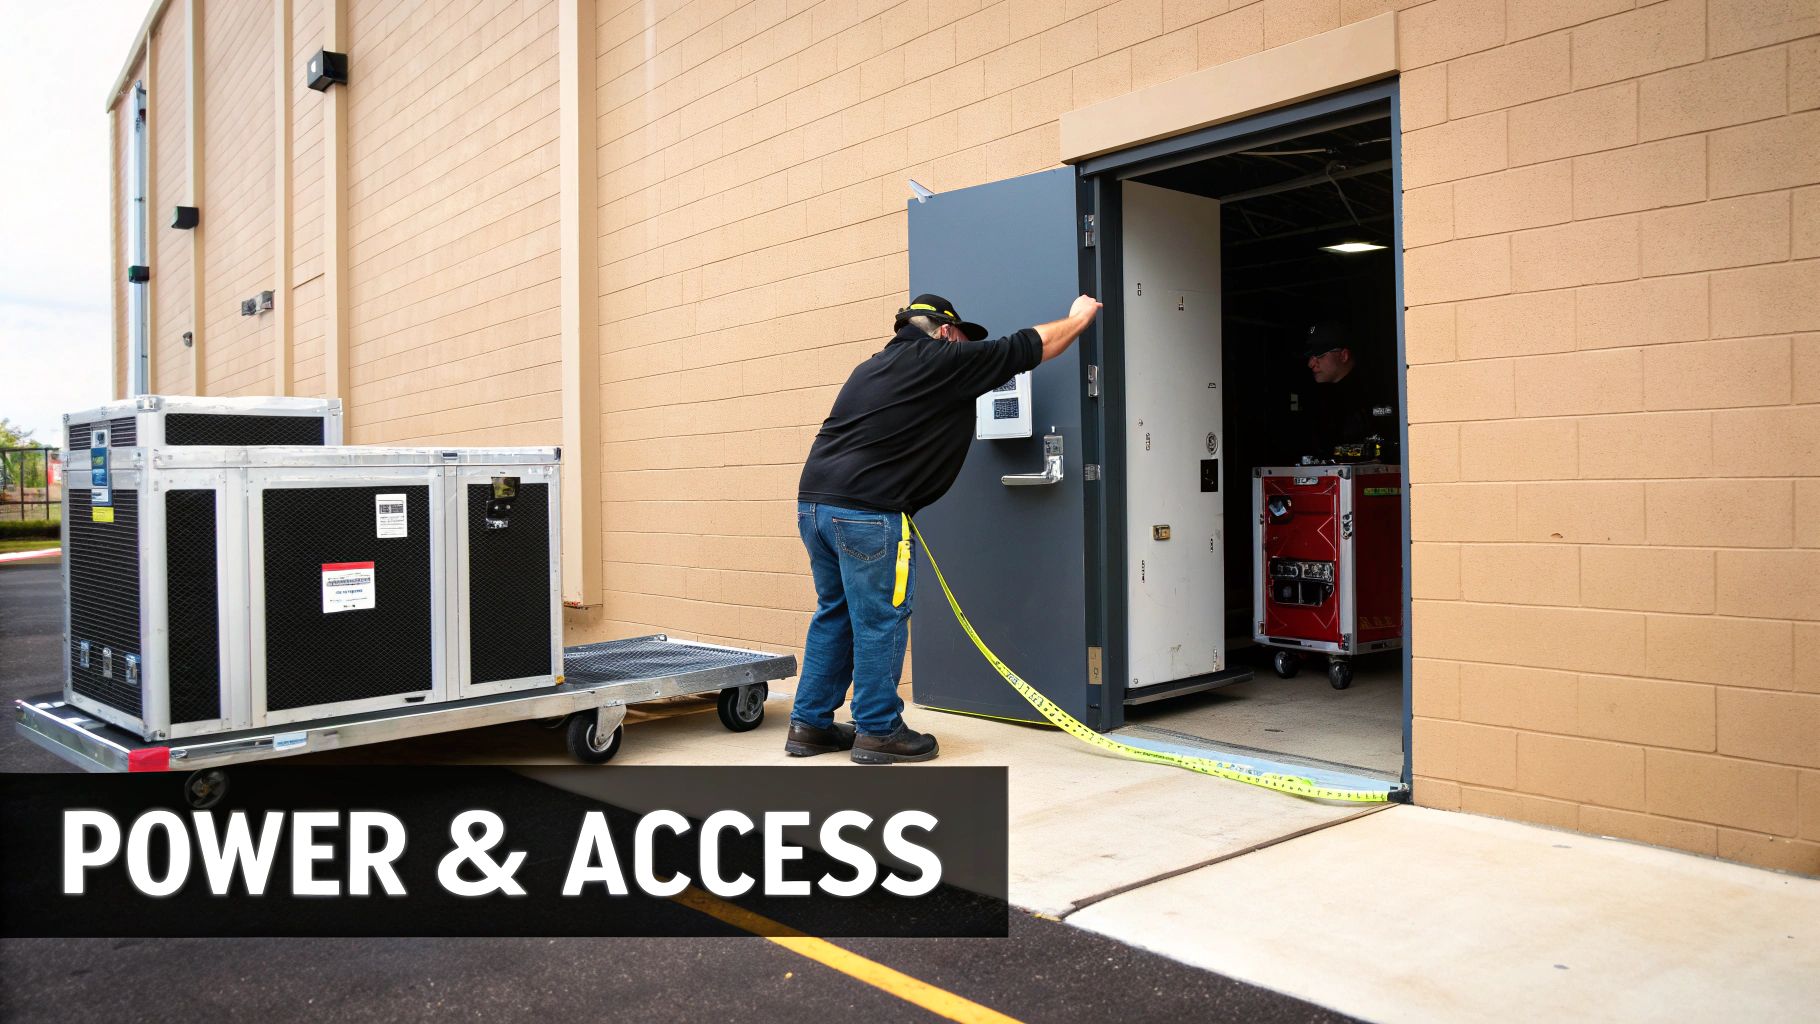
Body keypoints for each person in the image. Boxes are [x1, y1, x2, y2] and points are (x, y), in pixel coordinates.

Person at [789, 292, 1102, 764]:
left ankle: (809, 726)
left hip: (815, 507)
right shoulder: (941, 361)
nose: (961, 345)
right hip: (869, 514)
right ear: (945, 331)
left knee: (834, 614)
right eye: (959, 336)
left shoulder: (871, 368)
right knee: (879, 621)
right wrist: (1080, 318)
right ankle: (877, 730)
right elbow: (1032, 346)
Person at [1300, 319, 1394, 458]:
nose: (1311, 364)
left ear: (1343, 355)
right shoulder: (1316, 395)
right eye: (1310, 356)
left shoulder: (1376, 392)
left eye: (1319, 355)